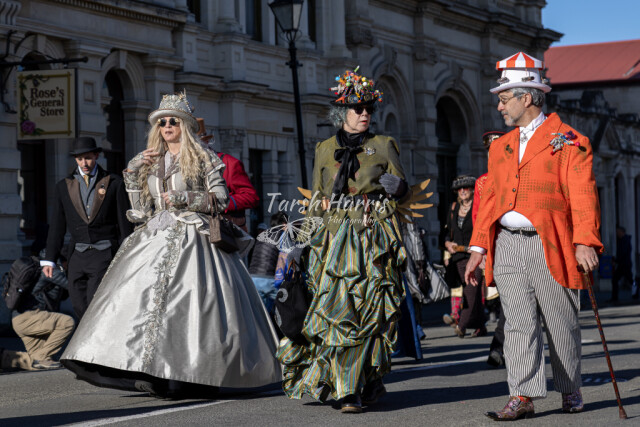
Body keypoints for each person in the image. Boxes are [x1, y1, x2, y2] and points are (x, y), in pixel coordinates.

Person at [61, 92, 281, 398]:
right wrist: (133, 176)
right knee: (138, 303)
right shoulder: (151, 160)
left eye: (173, 121)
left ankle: (191, 372)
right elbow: (141, 211)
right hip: (154, 236)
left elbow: (220, 199)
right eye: (162, 122)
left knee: (187, 304)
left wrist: (184, 198)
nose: (167, 126)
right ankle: (138, 367)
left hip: (194, 237)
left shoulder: (204, 157)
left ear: (184, 126)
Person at [465, 52, 603, 420]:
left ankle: (569, 388)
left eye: (504, 98)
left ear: (526, 97)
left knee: (561, 322)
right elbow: (490, 198)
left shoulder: (570, 141)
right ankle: (522, 395)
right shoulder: (500, 145)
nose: (499, 106)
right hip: (508, 243)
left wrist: (585, 241)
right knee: (517, 324)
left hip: (550, 242)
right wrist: (478, 247)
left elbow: (584, 196)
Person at [276, 67, 410, 413]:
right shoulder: (324, 149)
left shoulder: (384, 145)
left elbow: (402, 191)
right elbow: (317, 198)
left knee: (370, 311)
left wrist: (399, 189)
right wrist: (300, 243)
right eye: (357, 108)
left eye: (369, 108)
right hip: (332, 240)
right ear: (341, 112)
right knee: (336, 312)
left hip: (371, 237)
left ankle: (364, 380)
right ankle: (346, 387)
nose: (365, 114)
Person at [41, 137, 133, 320]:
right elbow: (57, 226)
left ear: (96, 156)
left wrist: (128, 255)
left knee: (94, 303)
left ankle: (96, 337)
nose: (84, 163)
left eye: (88, 158)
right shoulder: (63, 186)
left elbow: (124, 224)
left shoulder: (114, 182)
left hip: (104, 253)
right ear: (75, 159)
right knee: (79, 304)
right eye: (80, 159)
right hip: (77, 255)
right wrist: (50, 259)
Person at [474, 131, 506, 368]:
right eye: (489, 152)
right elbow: (478, 218)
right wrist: (482, 251)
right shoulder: (482, 182)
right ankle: (499, 346)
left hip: (522, 243)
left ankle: (501, 346)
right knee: (508, 302)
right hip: (495, 248)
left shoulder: (518, 175)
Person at [11, 255, 74, 370]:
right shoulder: (51, 270)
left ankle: (3, 359)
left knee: (36, 361)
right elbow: (73, 287)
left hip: (18, 319)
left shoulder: (39, 267)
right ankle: (42, 357)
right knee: (67, 322)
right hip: (30, 317)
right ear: (64, 261)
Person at [197, 118, 259, 232]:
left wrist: (222, 202)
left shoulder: (229, 163)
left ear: (205, 142)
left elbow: (251, 197)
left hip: (224, 231)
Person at [444, 175, 486, 338]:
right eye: (459, 189)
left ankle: (461, 326)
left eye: (466, 188)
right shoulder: (453, 208)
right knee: (472, 292)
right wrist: (448, 244)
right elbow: (446, 232)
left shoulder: (478, 207)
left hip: (475, 257)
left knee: (470, 291)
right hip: (457, 259)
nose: (462, 191)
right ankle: (480, 326)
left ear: (472, 190)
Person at [611, 226, 632, 302]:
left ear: (622, 232)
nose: (617, 233)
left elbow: (623, 253)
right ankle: (614, 297)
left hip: (625, 264)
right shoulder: (622, 240)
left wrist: (616, 261)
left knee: (630, 280)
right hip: (623, 264)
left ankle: (614, 298)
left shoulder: (625, 240)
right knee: (615, 279)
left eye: (618, 232)